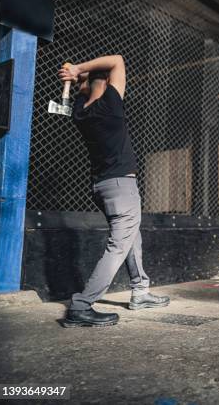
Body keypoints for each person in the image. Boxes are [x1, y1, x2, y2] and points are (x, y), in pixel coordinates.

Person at [58, 55, 169, 327]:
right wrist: (78, 70)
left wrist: (73, 80)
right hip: (121, 186)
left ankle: (140, 290)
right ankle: (82, 306)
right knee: (118, 246)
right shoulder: (111, 104)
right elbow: (117, 60)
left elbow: (86, 87)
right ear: (107, 83)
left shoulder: (81, 111)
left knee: (131, 236)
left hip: (101, 187)